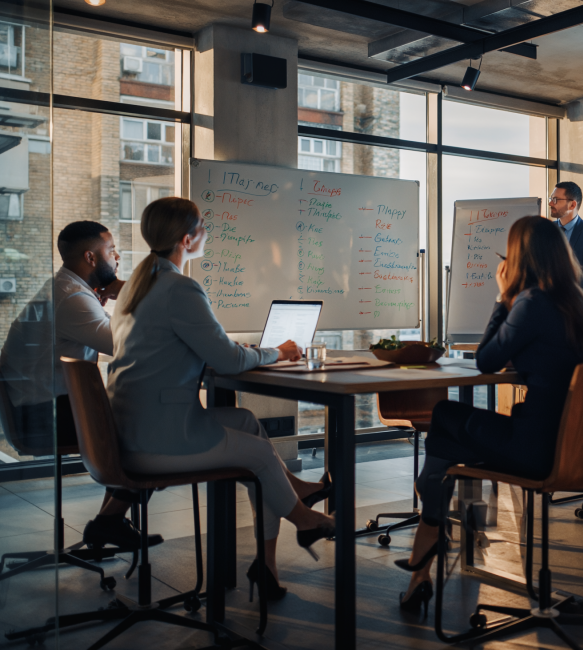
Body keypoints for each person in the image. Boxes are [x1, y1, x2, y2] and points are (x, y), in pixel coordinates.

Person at [105, 197, 335, 601]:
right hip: (159, 442)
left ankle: (267, 562)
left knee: (246, 422)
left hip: (134, 430)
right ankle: (304, 518)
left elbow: (183, 348)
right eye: (203, 228)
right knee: (261, 457)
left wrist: (238, 349)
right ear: (187, 238)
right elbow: (227, 360)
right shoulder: (179, 287)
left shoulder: (137, 287)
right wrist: (278, 352)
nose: (207, 234)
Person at [396, 214, 583, 614]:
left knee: (445, 417)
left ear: (520, 257)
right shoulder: (581, 303)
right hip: (575, 446)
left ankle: (430, 523)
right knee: (451, 426)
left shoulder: (531, 302)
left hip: (536, 450)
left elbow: (487, 360)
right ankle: (435, 533)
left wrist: (501, 295)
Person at [0, 221, 162, 551]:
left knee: (136, 423)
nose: (116, 257)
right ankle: (108, 523)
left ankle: (109, 524)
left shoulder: (66, 290)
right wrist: (133, 293)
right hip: (45, 418)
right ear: (91, 257)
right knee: (154, 433)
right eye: (111, 250)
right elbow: (130, 345)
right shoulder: (72, 298)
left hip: (38, 410)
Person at [549, 181, 583, 325]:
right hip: (550, 316)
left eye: (555, 200)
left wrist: (580, 316)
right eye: (551, 198)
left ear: (572, 205)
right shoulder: (546, 231)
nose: (551, 203)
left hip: (579, 319)